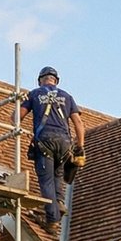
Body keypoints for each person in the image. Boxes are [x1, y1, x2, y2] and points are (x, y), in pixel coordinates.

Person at [21, 65, 85, 232]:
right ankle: (59, 202)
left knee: (46, 180)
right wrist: (80, 146)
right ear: (55, 81)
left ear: (41, 80)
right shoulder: (67, 96)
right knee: (58, 174)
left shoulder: (34, 94)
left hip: (45, 140)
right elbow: (78, 123)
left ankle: (52, 219)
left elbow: (17, 116)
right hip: (64, 142)